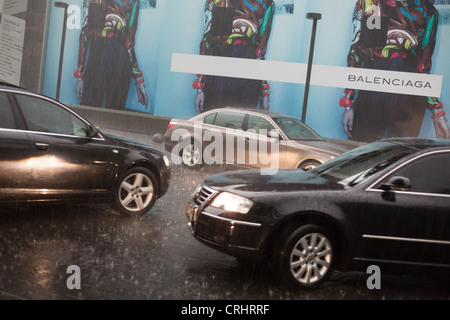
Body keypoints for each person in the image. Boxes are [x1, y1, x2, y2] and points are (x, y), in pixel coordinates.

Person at [339, 0, 449, 142]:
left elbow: (423, 67)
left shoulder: (428, 10)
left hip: (409, 95)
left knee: (401, 157)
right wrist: (348, 102)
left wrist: (437, 111)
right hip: (375, 88)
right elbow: (359, 52)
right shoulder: (374, 3)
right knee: (363, 153)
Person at [193, 0, 275, 113]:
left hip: (247, 70)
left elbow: (260, 50)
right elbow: (207, 42)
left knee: (241, 124)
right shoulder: (218, 1)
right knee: (215, 121)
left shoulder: (266, 3)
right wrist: (199, 87)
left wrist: (264, 92)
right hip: (221, 66)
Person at [74, 0, 148, 110]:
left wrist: (80, 74)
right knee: (112, 114)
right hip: (116, 59)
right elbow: (129, 43)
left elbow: (85, 33)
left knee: (91, 113)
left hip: (102, 58)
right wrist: (139, 79)